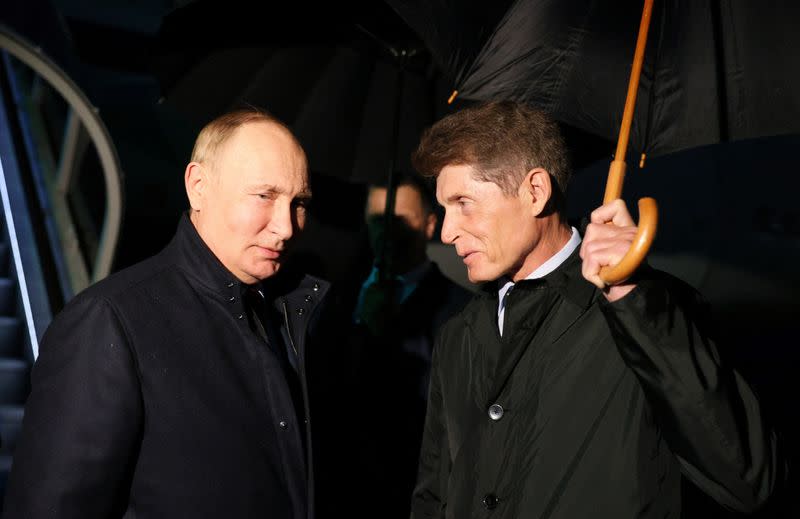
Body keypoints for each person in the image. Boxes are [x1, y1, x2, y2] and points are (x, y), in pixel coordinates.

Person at [408, 100, 786, 518]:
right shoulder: (457, 334)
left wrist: (633, 299)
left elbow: (748, 480)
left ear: (535, 191)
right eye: (444, 209)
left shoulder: (650, 308)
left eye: (463, 202)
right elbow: (432, 496)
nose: (446, 230)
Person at [3, 109, 329, 518]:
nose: (285, 226)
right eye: (264, 196)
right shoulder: (111, 320)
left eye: (298, 203)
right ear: (198, 187)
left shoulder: (292, 316)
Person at [341, 174, 471, 518]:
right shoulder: (336, 298)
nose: (386, 231)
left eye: (399, 220)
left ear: (429, 225)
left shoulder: (462, 311)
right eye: (376, 219)